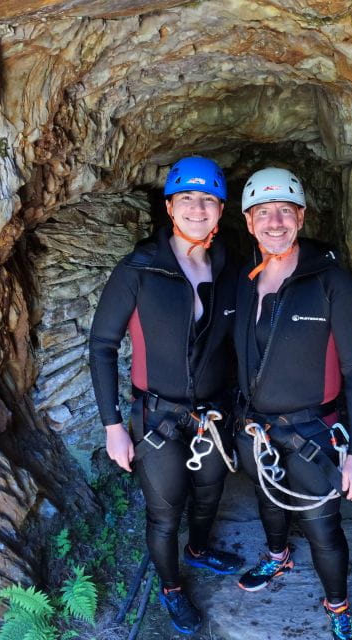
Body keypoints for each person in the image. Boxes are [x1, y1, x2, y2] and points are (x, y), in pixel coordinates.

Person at [89, 156, 242, 635]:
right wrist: (114, 427)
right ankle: (171, 588)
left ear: (220, 210)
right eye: (187, 199)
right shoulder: (139, 269)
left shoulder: (230, 267)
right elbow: (102, 346)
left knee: (210, 490)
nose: (197, 208)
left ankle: (198, 549)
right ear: (170, 207)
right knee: (164, 511)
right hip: (157, 417)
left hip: (214, 414)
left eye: (207, 200)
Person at [233, 167, 352, 640]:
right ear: (249, 222)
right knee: (268, 502)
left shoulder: (331, 282)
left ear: (302, 217)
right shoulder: (243, 280)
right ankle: (277, 559)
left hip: (312, 432)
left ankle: (338, 605)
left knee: (323, 528)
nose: (275, 222)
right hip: (256, 429)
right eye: (264, 213)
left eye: (285, 212)